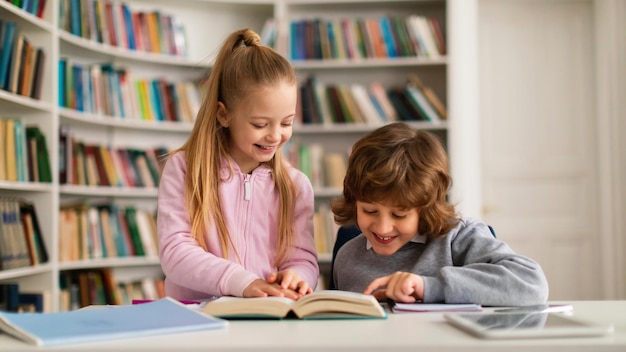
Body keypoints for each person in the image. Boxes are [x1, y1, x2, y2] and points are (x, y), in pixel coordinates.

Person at [157, 28, 319, 301]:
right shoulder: (184, 169)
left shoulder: (296, 185)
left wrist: (298, 277)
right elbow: (175, 251)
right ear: (224, 114)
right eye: (260, 124)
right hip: (196, 316)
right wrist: (241, 282)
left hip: (266, 315)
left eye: (287, 122)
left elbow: (302, 258)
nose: (275, 135)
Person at [331, 122, 549, 306]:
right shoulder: (347, 256)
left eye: (399, 215)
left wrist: (430, 287)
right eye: (369, 211)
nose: (382, 227)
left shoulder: (458, 238)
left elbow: (532, 283)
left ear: (426, 207)